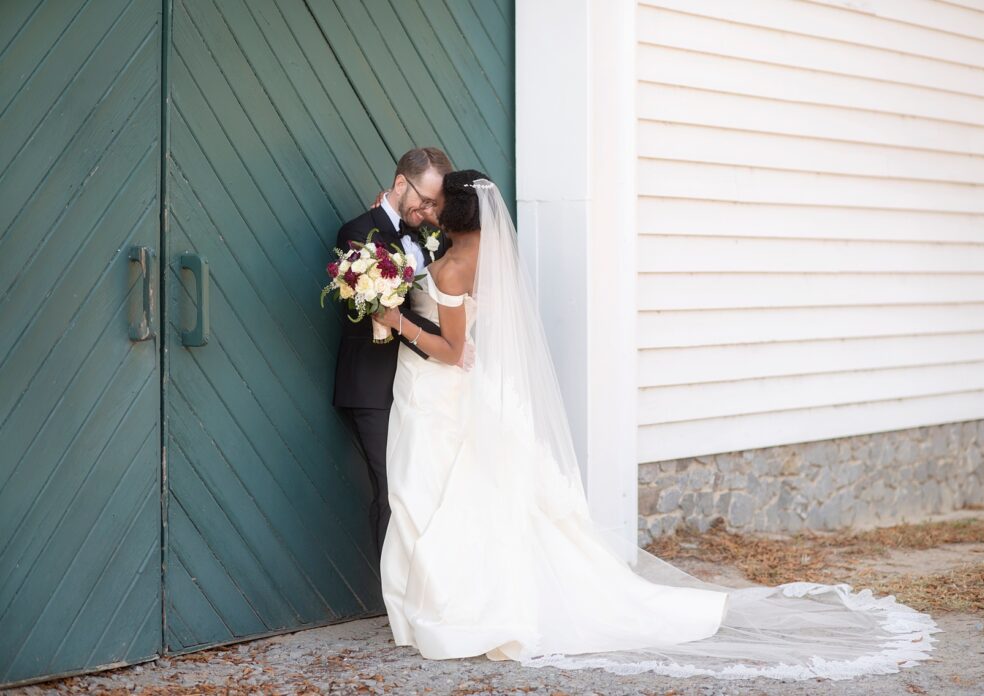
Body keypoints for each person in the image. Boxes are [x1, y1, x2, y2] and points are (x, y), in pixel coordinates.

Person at [371, 170, 940, 681]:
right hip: (483, 391)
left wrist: (395, 319)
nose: (431, 206)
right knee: (492, 500)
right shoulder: (487, 254)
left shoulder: (452, 264)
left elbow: (453, 350)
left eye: (439, 201)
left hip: (451, 387)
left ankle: (472, 602)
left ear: (453, 212)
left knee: (455, 494)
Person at [331, 147, 452, 559]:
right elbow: (371, 308)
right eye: (425, 199)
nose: (429, 209)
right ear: (400, 183)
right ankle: (393, 604)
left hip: (422, 386)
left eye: (437, 203)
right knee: (392, 490)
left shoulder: (430, 235)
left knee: (423, 489)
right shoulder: (357, 232)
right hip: (374, 385)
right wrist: (449, 345)